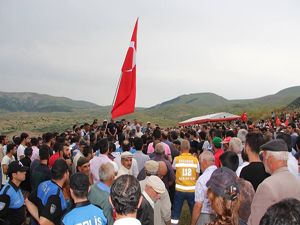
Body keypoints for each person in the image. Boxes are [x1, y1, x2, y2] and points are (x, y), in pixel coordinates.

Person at [248, 139, 300, 225]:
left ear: (271, 159)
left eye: (263, 157)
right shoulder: (295, 180)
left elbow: (256, 221)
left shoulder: (267, 186)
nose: (263, 161)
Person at [26, 159, 69, 225]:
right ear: (65, 174)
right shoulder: (56, 195)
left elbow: (28, 201)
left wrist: (39, 218)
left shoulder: (43, 184)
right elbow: (44, 222)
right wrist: (41, 220)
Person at [171, 140, 200, 225]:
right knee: (194, 210)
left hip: (180, 189)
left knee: (176, 210)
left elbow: (174, 169)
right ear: (189, 148)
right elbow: (197, 175)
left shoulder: (177, 159)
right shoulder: (195, 160)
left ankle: (174, 223)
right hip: (192, 190)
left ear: (180, 148)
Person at [191, 151, 217, 225]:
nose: (199, 165)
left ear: (204, 162)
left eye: (200, 163)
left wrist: (193, 223)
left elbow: (198, 205)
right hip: (220, 215)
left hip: (205, 215)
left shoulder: (202, 179)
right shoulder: (221, 174)